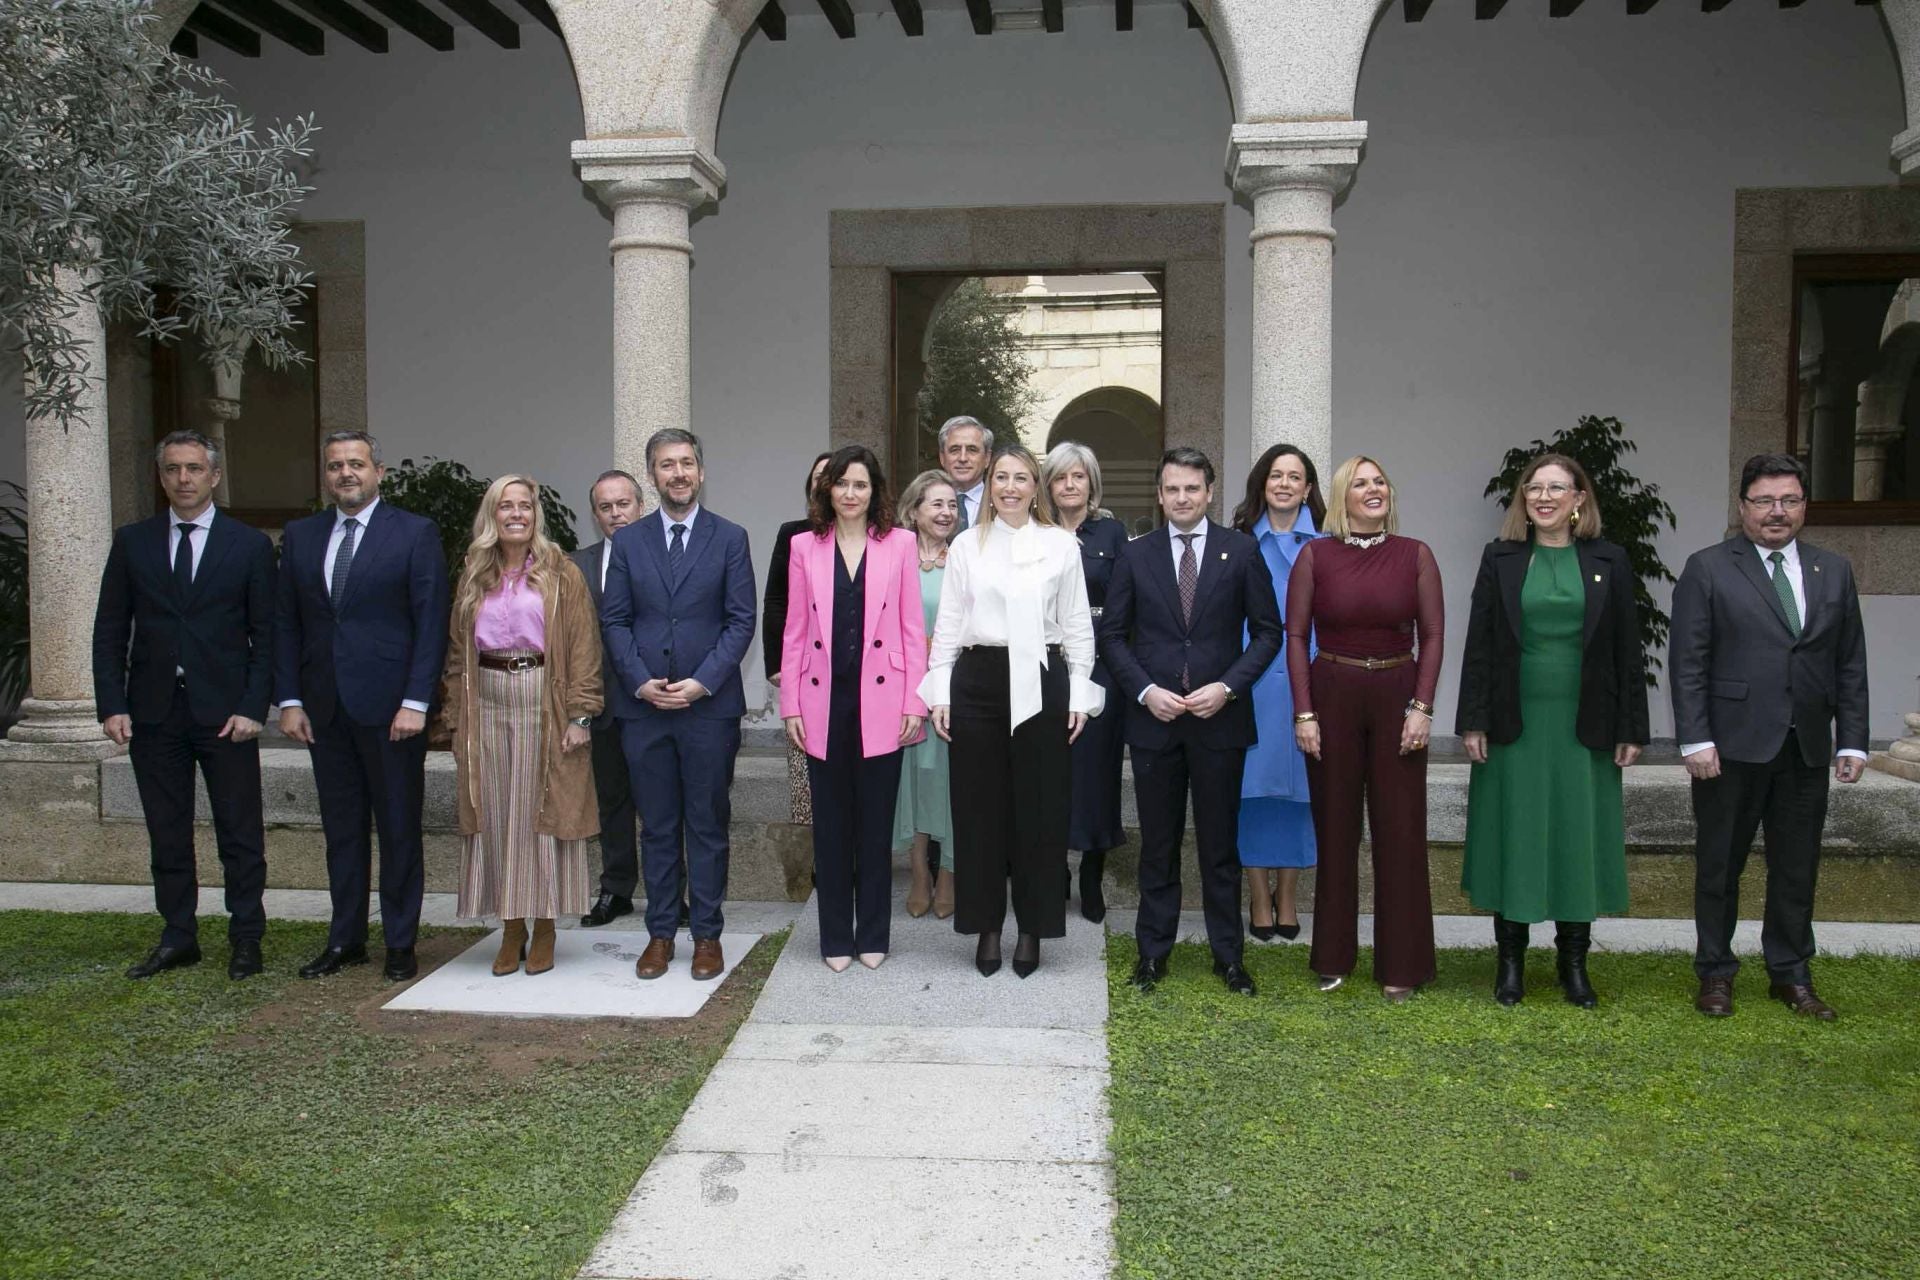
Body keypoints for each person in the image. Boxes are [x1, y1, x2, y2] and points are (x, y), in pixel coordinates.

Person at [1671, 453, 1868, 1021]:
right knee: (1719, 865)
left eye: (1790, 500)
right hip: (1730, 746)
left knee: (1796, 866)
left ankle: (1790, 973)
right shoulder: (1708, 567)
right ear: (1742, 507)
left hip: (1804, 745)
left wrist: (1852, 739)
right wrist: (1694, 739)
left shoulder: (1832, 570)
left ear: (1804, 506)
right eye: (1765, 500)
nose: (1777, 512)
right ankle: (1715, 973)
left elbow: (1848, 662)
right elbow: (1688, 662)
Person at [1456, 453, 1648, 1007]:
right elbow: (1481, 647)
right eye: (1534, 488)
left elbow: (1626, 652)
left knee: (1576, 836)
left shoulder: (1609, 559)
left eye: (1557, 488)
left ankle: (1574, 964)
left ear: (1579, 499)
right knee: (1512, 834)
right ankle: (1510, 963)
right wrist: (1473, 718)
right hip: (1515, 725)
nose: (1544, 497)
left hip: (1585, 724)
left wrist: (1632, 725)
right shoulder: (1502, 558)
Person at [92, 430, 276, 981]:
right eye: (173, 469)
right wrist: (112, 701)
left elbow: (266, 635)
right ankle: (178, 936)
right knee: (166, 831)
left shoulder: (248, 546)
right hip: (153, 711)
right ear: (161, 476)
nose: (184, 479)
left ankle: (246, 937)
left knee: (239, 831)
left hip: (227, 715)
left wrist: (253, 706)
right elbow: (109, 629)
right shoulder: (134, 541)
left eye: (194, 469)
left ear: (214, 476)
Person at [1102, 447, 1283, 997]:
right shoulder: (1136, 556)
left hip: (1218, 724)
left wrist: (1228, 688)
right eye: (1172, 489)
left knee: (1219, 847)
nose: (1182, 498)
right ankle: (1152, 954)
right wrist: (1145, 690)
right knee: (1157, 846)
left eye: (1192, 489)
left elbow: (1269, 632)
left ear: (1209, 493)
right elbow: (1112, 636)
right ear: (1159, 495)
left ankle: (1229, 957)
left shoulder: (1242, 551)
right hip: (1155, 722)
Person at [921, 443, 1102, 979]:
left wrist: (1079, 695)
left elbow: (1076, 627)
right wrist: (941, 693)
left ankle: (1032, 927)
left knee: (1040, 810)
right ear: (988, 484)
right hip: (977, 682)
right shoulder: (966, 546)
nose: (1010, 487)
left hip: (1044, 682)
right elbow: (950, 625)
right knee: (979, 811)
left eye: (1021, 477)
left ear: (1036, 486)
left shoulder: (1059, 545)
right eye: (1001, 477)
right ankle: (988, 926)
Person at [276, 430, 450, 982]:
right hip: (323, 711)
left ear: (379, 471)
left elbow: (431, 624)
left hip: (393, 711)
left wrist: (417, 701)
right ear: (324, 476)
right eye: (334, 466)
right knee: (342, 832)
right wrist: (290, 699)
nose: (344, 474)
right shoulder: (302, 537)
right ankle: (345, 939)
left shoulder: (414, 533)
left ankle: (400, 942)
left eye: (355, 464)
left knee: (398, 829)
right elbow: (286, 624)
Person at [601, 428, 757, 983]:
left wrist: (702, 682)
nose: (678, 474)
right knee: (659, 827)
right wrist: (640, 682)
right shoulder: (629, 541)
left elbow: (741, 621)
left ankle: (708, 936)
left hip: (707, 710)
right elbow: (614, 620)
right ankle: (661, 934)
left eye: (687, 463)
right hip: (643, 710)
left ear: (701, 471)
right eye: (667, 465)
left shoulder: (730, 538)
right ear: (653, 475)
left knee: (707, 824)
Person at [1288, 455, 1442, 1002]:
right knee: (1336, 830)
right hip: (1332, 695)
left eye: (1380, 481)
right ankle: (1333, 956)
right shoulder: (1315, 555)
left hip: (1398, 697)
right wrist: (1304, 713)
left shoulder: (1415, 555)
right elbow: (1295, 637)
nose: (1373, 489)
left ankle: (1403, 963)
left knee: (1400, 832)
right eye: (1360, 483)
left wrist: (1422, 708)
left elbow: (1434, 636)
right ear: (1340, 496)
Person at [443, 476, 603, 975]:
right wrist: (454, 719)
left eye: (525, 506)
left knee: (541, 815)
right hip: (486, 702)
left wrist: (580, 714)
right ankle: (511, 928)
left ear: (537, 514)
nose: (516, 514)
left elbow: (583, 647)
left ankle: (546, 926)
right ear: (491, 516)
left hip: (543, 698)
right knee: (497, 815)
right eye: (505, 506)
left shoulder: (561, 572)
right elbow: (455, 654)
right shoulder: (474, 573)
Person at [781, 446, 928, 970]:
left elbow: (913, 628)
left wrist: (916, 698)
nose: (849, 493)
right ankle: (834, 939)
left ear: (875, 492)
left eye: (860, 485)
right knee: (832, 826)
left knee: (874, 824)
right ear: (828, 490)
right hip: (823, 701)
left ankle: (873, 936)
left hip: (883, 702)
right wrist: (791, 705)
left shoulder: (901, 544)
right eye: (841, 484)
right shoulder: (804, 546)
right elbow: (795, 631)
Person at [1229, 444, 1327, 942]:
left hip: (1312, 682)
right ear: (1262, 484)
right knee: (1251, 790)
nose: (1285, 483)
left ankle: (1287, 896)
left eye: (1295, 476)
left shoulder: (1329, 545)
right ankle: (1257, 895)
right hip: (1251, 682)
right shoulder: (1239, 541)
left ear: (1308, 488)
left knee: (1302, 791)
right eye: (1276, 475)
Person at [1043, 441, 1128, 923]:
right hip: (1046, 662)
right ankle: (1055, 872)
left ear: (1091, 484)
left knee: (1096, 774)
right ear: (1049, 486)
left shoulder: (1112, 534)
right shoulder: (1034, 534)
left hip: (1101, 664)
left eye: (1078, 477)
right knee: (1049, 772)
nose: (1070, 485)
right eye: (1060, 478)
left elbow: (1124, 605)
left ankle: (1092, 873)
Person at [574, 469, 644, 928]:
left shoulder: (663, 555)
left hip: (653, 702)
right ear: (595, 514)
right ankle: (616, 889)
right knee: (611, 802)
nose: (616, 514)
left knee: (662, 806)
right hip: (601, 706)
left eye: (624, 504)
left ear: (640, 506)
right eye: (606, 506)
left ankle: (668, 894)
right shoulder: (574, 565)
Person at [891, 469, 961, 919]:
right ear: (914, 511)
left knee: (951, 786)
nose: (945, 512)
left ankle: (950, 876)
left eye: (952, 505)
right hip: (903, 689)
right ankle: (918, 873)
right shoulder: (893, 557)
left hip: (954, 688)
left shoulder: (968, 557)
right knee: (909, 784)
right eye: (936, 504)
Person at [764, 451, 835, 827]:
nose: (825, 482)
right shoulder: (793, 533)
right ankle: (813, 855)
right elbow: (776, 599)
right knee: (804, 765)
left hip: (853, 672)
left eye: (834, 475)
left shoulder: (874, 538)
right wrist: (776, 663)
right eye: (818, 475)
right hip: (803, 666)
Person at [939, 415, 992, 532]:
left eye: (972, 450)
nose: (963, 458)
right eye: (955, 450)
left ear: (987, 458)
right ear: (942, 458)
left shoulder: (1001, 504)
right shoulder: (925, 505)